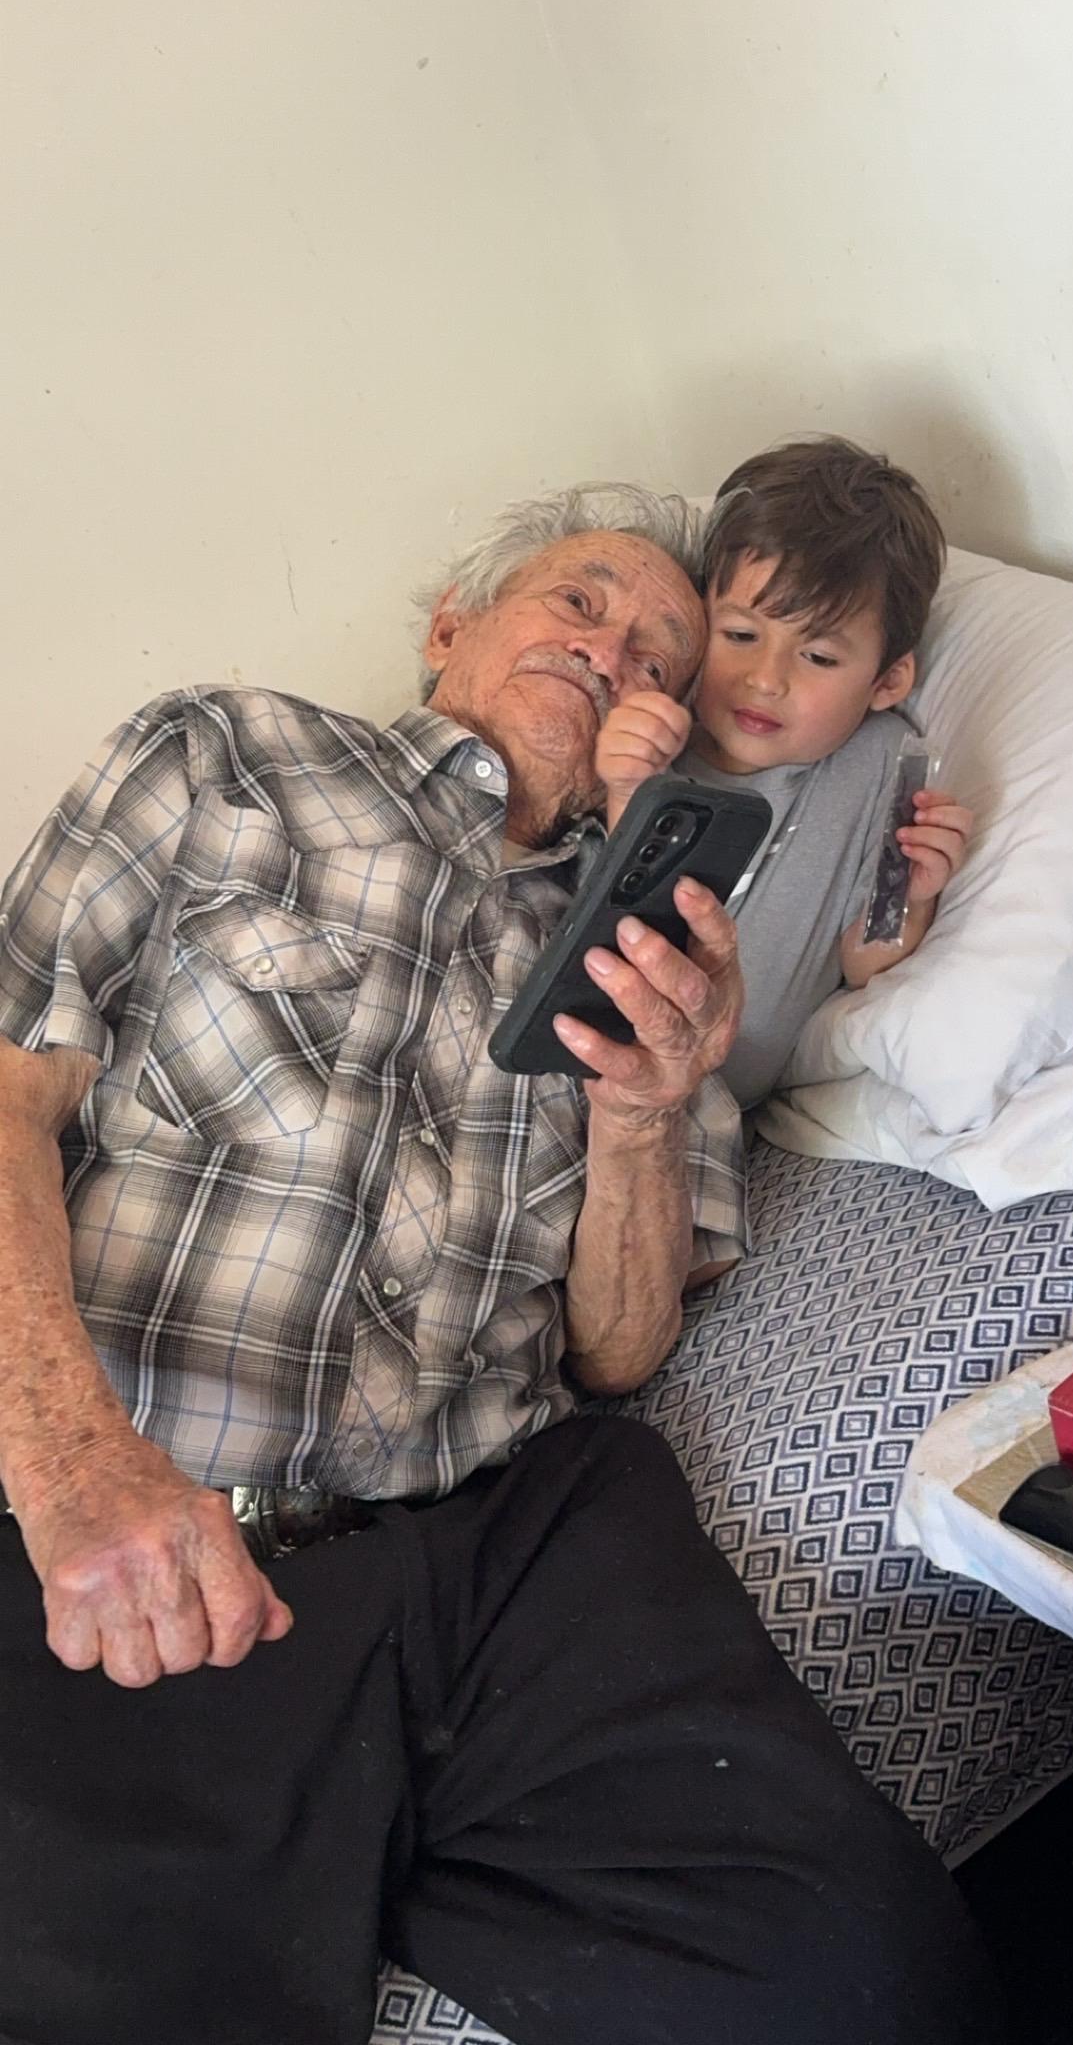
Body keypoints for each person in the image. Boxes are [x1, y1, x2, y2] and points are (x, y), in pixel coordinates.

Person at [0, 483, 1000, 2045]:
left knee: (872, 1978)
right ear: (450, 627)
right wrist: (65, 1463)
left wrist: (645, 1113)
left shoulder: (663, 944)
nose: (616, 655)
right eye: (581, 603)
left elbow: (618, 1350)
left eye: (661, 659)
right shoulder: (229, 755)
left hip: (497, 1544)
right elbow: (10, 1085)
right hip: (159, 1526)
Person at [596, 436, 976, 1107]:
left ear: (887, 680)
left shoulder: (886, 765)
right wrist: (625, 787)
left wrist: (911, 895)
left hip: (713, 1106)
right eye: (740, 636)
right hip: (592, 1056)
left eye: (819, 658)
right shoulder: (658, 723)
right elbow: (596, 908)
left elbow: (866, 962)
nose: (766, 679)